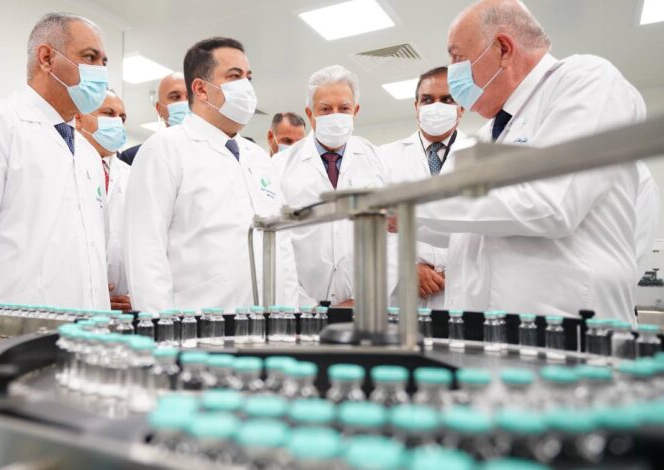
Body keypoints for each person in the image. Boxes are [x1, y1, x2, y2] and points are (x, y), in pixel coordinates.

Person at [415, 0, 654, 322]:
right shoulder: (491, 132)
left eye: (457, 57)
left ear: (503, 49)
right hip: (492, 328)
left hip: (568, 327)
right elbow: (472, 227)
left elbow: (552, 204)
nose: (452, 71)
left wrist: (416, 205)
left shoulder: (586, 80)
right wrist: (402, 218)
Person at [0, 13, 110, 313]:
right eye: (90, 57)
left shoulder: (88, 154)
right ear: (46, 58)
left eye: (104, 62)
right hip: (14, 333)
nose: (101, 72)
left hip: (87, 332)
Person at [123, 37, 299, 312]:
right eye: (235, 76)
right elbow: (145, 252)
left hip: (270, 323)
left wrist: (290, 316)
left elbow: (281, 244)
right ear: (201, 89)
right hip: (197, 323)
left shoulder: (258, 157)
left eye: (248, 77)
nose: (246, 86)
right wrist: (160, 327)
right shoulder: (164, 149)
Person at [273, 65, 396, 307]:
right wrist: (306, 305)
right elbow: (276, 245)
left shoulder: (378, 160)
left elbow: (393, 237)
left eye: (344, 108)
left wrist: (364, 298)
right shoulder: (280, 166)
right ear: (310, 114)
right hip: (301, 306)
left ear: (355, 111)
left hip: (365, 306)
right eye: (326, 109)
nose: (335, 115)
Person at [380, 66, 470, 309]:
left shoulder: (480, 156)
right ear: (416, 107)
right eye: (427, 100)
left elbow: (488, 224)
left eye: (447, 100)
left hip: (461, 280)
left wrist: (451, 267)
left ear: (461, 108)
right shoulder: (384, 157)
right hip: (401, 286)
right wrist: (404, 267)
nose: (436, 107)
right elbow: (373, 226)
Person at [75, 90, 132, 311]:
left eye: (122, 118)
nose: (117, 122)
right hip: (76, 300)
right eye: (108, 113)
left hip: (125, 304)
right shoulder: (64, 166)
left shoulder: (132, 175)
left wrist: (136, 294)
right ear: (79, 118)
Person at [118, 72, 189, 165]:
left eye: (189, 97)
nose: (184, 102)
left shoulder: (207, 151)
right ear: (159, 109)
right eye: (175, 97)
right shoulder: (135, 156)